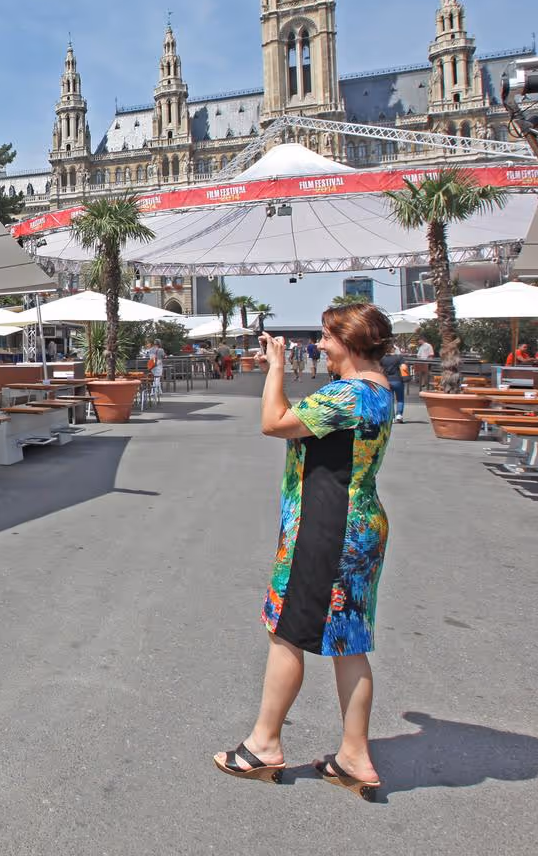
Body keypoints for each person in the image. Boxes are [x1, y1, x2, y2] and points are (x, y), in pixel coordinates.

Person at [214, 305, 395, 799]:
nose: (320, 345)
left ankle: (264, 745)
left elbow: (274, 422)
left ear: (349, 341)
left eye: (326, 337)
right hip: (360, 523)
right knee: (348, 640)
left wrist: (275, 367)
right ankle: (353, 755)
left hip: (324, 525)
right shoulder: (380, 391)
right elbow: (305, 426)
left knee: (287, 632)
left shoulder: (347, 394)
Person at [379, 343, 407, 419]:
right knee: (400, 399)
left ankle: (392, 416)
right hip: (398, 380)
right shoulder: (399, 357)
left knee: (390, 399)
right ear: (392, 349)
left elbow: (380, 369)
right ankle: (399, 415)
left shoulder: (382, 358)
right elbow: (404, 367)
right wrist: (406, 376)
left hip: (387, 380)